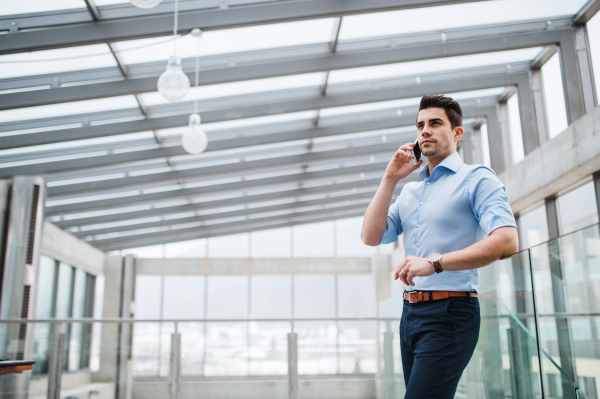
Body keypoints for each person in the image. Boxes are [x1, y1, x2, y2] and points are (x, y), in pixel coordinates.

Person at [360, 94, 518, 398]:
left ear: (457, 132)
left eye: (435, 123)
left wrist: (434, 263)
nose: (425, 131)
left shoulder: (476, 179)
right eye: (420, 125)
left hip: (451, 313)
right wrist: (389, 179)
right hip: (410, 315)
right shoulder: (410, 191)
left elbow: (507, 240)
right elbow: (371, 236)